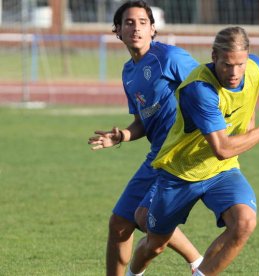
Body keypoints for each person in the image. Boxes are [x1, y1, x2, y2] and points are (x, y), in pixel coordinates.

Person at [128, 26, 259, 275]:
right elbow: (222, 149)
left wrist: (251, 123)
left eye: (240, 64)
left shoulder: (256, 68)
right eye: (226, 64)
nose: (234, 72)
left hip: (222, 172)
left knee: (244, 222)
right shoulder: (199, 89)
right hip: (181, 174)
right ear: (214, 56)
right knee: (154, 245)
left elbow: (249, 95)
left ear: (248, 57)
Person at [87, 1, 203, 275]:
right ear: (118, 30)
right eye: (129, 22)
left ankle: (199, 265)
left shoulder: (171, 58)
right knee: (119, 224)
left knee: (148, 220)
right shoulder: (128, 73)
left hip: (180, 156)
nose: (136, 28)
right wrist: (123, 135)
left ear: (153, 29)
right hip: (157, 157)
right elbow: (142, 121)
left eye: (142, 22)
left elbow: (207, 85)